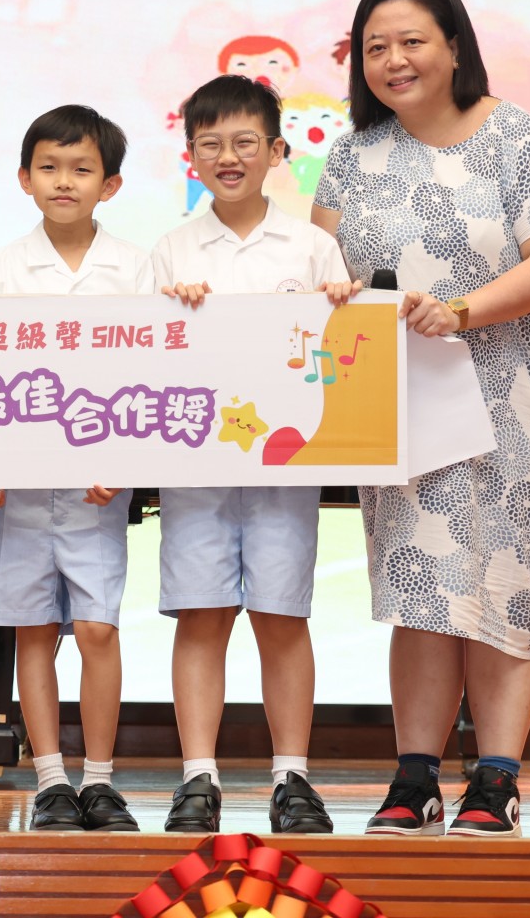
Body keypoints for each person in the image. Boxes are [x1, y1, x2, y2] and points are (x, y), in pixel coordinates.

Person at [311, 0, 530, 839]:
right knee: (421, 587)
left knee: (504, 585)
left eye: (411, 42)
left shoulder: (516, 137)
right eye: (375, 47)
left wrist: (461, 310)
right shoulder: (353, 156)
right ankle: (415, 778)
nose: (393, 60)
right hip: (402, 408)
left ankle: (496, 781)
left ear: (454, 46)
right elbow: (314, 266)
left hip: (518, 403)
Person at [152, 74, 357, 836]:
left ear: (276, 152)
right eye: (210, 144)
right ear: (191, 155)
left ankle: (291, 777)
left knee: (281, 616)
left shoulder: (313, 247)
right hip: (195, 472)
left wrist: (342, 308)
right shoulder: (171, 250)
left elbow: (345, 353)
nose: (228, 157)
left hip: (284, 468)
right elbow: (143, 357)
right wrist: (168, 313)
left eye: (244, 142)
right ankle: (196, 777)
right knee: (201, 617)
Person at [0, 104, 155, 832]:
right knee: (32, 629)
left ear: (110, 185)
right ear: (24, 178)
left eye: (82, 169)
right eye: (49, 167)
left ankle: (100, 780)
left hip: (95, 485)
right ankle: (51, 778)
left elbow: (153, 372)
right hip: (14, 488)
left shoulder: (135, 267)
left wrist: (127, 458)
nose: (64, 181)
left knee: (98, 628)